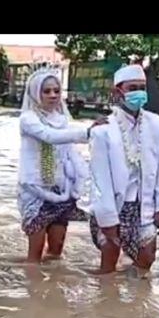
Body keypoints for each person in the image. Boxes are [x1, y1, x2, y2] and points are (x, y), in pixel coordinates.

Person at [88, 64, 159, 276]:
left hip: (143, 204)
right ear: (118, 92)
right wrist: (108, 220)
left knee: (147, 258)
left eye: (142, 88)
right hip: (113, 204)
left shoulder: (156, 124)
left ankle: (137, 304)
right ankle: (106, 302)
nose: (139, 93)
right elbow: (100, 181)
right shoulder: (103, 129)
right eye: (132, 87)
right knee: (109, 262)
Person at [18, 69, 105, 263]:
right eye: (46, 91)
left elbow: (70, 142)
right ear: (35, 92)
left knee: (56, 249)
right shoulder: (28, 119)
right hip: (36, 191)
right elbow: (51, 136)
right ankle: (33, 289)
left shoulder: (62, 119)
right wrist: (88, 131)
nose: (52, 95)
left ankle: (53, 289)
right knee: (35, 254)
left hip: (61, 190)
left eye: (56, 91)